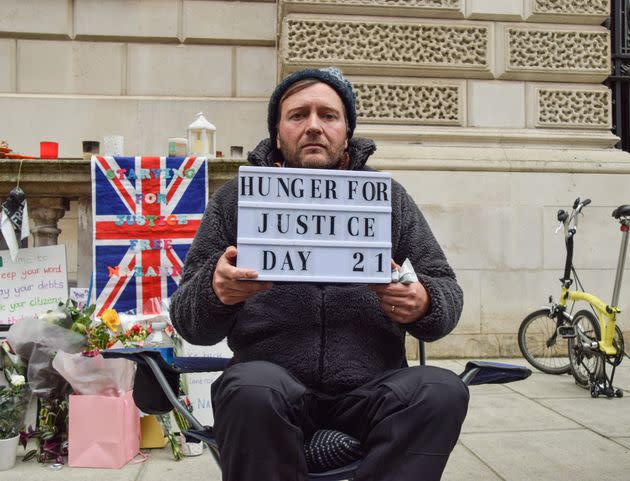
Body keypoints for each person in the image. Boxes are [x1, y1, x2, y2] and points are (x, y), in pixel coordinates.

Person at [170, 67, 468, 481]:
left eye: (328, 116)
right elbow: (186, 318)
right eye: (297, 115)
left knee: (440, 390)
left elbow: (446, 288)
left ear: (347, 132)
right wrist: (215, 291)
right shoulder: (234, 202)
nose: (313, 126)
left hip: (372, 391)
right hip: (270, 389)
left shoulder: (389, 199)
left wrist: (425, 302)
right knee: (250, 388)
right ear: (277, 133)